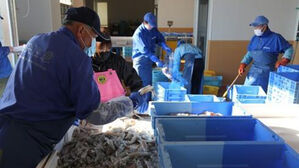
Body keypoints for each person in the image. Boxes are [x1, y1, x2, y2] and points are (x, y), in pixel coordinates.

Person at [0, 7, 135, 168]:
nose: (91, 43)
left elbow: (47, 84)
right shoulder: (77, 59)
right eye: (92, 36)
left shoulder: (36, 40)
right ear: (81, 30)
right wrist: (129, 103)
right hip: (26, 144)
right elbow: (95, 114)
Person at [238, 15, 293, 92]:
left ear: (265, 26)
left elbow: (289, 49)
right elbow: (250, 53)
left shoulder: (275, 38)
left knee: (262, 94)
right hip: (253, 72)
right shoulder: (255, 38)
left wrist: (284, 60)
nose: (255, 29)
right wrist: (243, 64)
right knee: (247, 92)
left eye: (257, 27)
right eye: (254, 27)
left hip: (267, 73)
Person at [132, 12, 172, 113]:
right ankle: (140, 109)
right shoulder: (139, 34)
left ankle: (148, 107)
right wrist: (157, 61)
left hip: (149, 60)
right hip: (140, 60)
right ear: (145, 23)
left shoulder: (153, 29)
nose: (152, 28)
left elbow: (159, 38)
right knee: (141, 84)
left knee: (148, 83)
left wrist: (165, 46)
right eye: (151, 25)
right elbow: (145, 51)